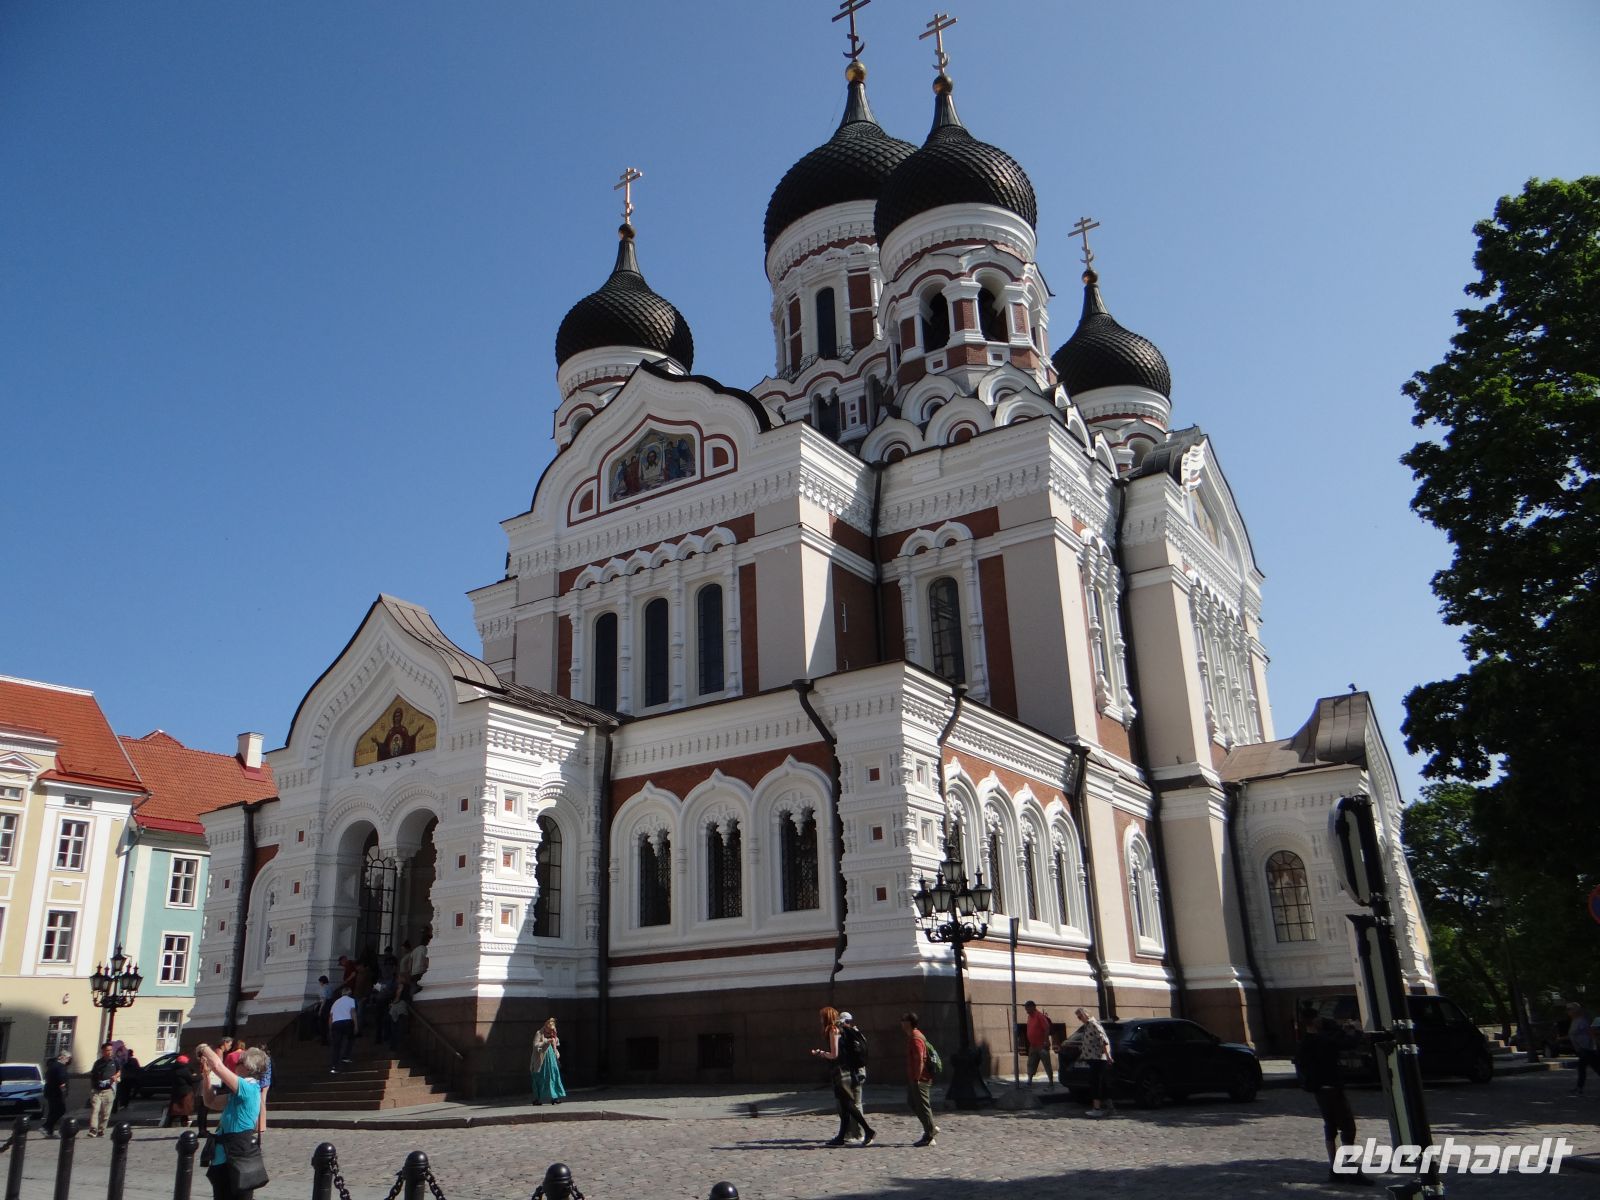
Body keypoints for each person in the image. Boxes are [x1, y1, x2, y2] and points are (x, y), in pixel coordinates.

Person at [1295, 1008, 1371, 1186]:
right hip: (1332, 1088)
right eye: (1319, 1018)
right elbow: (1348, 1044)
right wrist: (1357, 1030)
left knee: (1330, 1127)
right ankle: (1351, 1170)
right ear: (1314, 1021)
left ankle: (1334, 1168)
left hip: (1319, 1090)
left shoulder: (1304, 1042)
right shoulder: (1323, 1040)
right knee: (1348, 1128)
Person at [196, 1042, 267, 1200]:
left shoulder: (248, 1088)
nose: (236, 1064)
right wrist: (206, 1076)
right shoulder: (237, 1092)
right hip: (223, 1156)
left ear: (249, 1068)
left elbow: (219, 1066)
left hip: (237, 1156)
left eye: (240, 1062)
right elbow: (210, 1101)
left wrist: (203, 1048)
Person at [811, 1006, 875, 1146]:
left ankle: (868, 1130)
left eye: (822, 1017)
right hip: (843, 1070)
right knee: (845, 1105)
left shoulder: (833, 1030)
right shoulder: (837, 1029)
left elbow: (834, 1054)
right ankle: (841, 1136)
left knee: (848, 1104)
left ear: (827, 1017)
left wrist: (821, 1053)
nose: (820, 1020)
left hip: (841, 1072)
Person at [900, 1012, 938, 1147]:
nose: (901, 1022)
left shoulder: (916, 1038)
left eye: (903, 1020)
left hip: (920, 1078)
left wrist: (917, 1078)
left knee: (923, 1106)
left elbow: (920, 1060)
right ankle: (930, 1128)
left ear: (909, 1023)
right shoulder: (913, 1036)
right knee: (912, 1102)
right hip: (916, 1077)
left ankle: (929, 1133)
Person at [1074, 1007, 1116, 1116]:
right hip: (1092, 1058)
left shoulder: (1093, 1024)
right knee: (1101, 1083)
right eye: (1078, 1017)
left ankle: (1097, 1109)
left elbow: (1104, 1041)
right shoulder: (1087, 1026)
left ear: (1086, 1014)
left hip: (1098, 1059)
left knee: (1096, 1083)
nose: (1079, 1019)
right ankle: (1110, 1108)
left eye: (1080, 1016)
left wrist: (1108, 1056)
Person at [530, 1017, 566, 1105]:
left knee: (553, 1076)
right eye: (549, 1031)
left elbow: (556, 1043)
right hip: (541, 1060)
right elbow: (535, 1045)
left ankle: (554, 1097)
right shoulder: (539, 1033)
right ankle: (537, 1099)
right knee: (541, 1078)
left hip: (551, 1058)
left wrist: (555, 1037)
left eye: (551, 1031)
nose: (550, 1033)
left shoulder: (552, 1034)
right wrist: (546, 1041)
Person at [87, 1042, 119, 1137]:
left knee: (106, 1113)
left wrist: (115, 1076)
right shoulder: (98, 1063)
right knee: (95, 1110)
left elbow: (119, 1071)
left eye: (110, 1050)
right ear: (103, 1052)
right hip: (97, 1090)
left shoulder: (115, 1061)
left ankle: (101, 1129)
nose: (109, 1052)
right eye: (107, 1050)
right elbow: (93, 1075)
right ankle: (93, 1129)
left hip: (109, 1090)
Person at [1567, 1002, 1599, 1094]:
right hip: (1582, 1049)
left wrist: (1594, 1046)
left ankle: (1579, 1088)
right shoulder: (1574, 1021)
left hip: (1587, 1049)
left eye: (1570, 1009)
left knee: (1590, 1068)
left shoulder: (1582, 1021)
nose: (1568, 1012)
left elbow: (1591, 1033)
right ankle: (1579, 1088)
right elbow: (1573, 1035)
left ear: (1576, 1011)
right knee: (1590, 1068)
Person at [1023, 1001, 1054, 1089]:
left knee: (1046, 1064)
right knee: (1031, 1063)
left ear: (1033, 1007)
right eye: (1026, 1008)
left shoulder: (1039, 1016)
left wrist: (1045, 1041)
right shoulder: (1029, 1017)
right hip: (1033, 1046)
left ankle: (1051, 1081)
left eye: (1027, 1007)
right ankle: (1029, 1080)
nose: (1026, 1010)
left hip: (1042, 1045)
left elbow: (1046, 1028)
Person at [328, 988, 358, 1072]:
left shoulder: (335, 1002)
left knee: (336, 1046)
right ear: (350, 993)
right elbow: (353, 1012)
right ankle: (346, 1056)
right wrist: (356, 1025)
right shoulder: (351, 1000)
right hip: (347, 1022)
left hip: (336, 1023)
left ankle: (334, 1065)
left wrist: (330, 1029)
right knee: (350, 1038)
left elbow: (330, 1017)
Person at [163, 1054, 197, 1128]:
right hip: (185, 1092)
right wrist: (197, 1076)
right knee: (185, 1109)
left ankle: (169, 1123)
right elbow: (192, 1079)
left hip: (176, 1091)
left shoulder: (173, 1070)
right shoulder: (184, 1070)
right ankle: (183, 1123)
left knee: (175, 1109)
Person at [42, 1051, 70, 1137]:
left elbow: (47, 1076)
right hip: (57, 1092)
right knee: (60, 1110)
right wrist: (64, 1091)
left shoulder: (52, 1065)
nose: (68, 1060)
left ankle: (49, 1131)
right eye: (67, 1058)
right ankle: (46, 1126)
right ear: (62, 1057)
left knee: (52, 1111)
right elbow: (61, 1079)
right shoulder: (60, 1066)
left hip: (49, 1091)